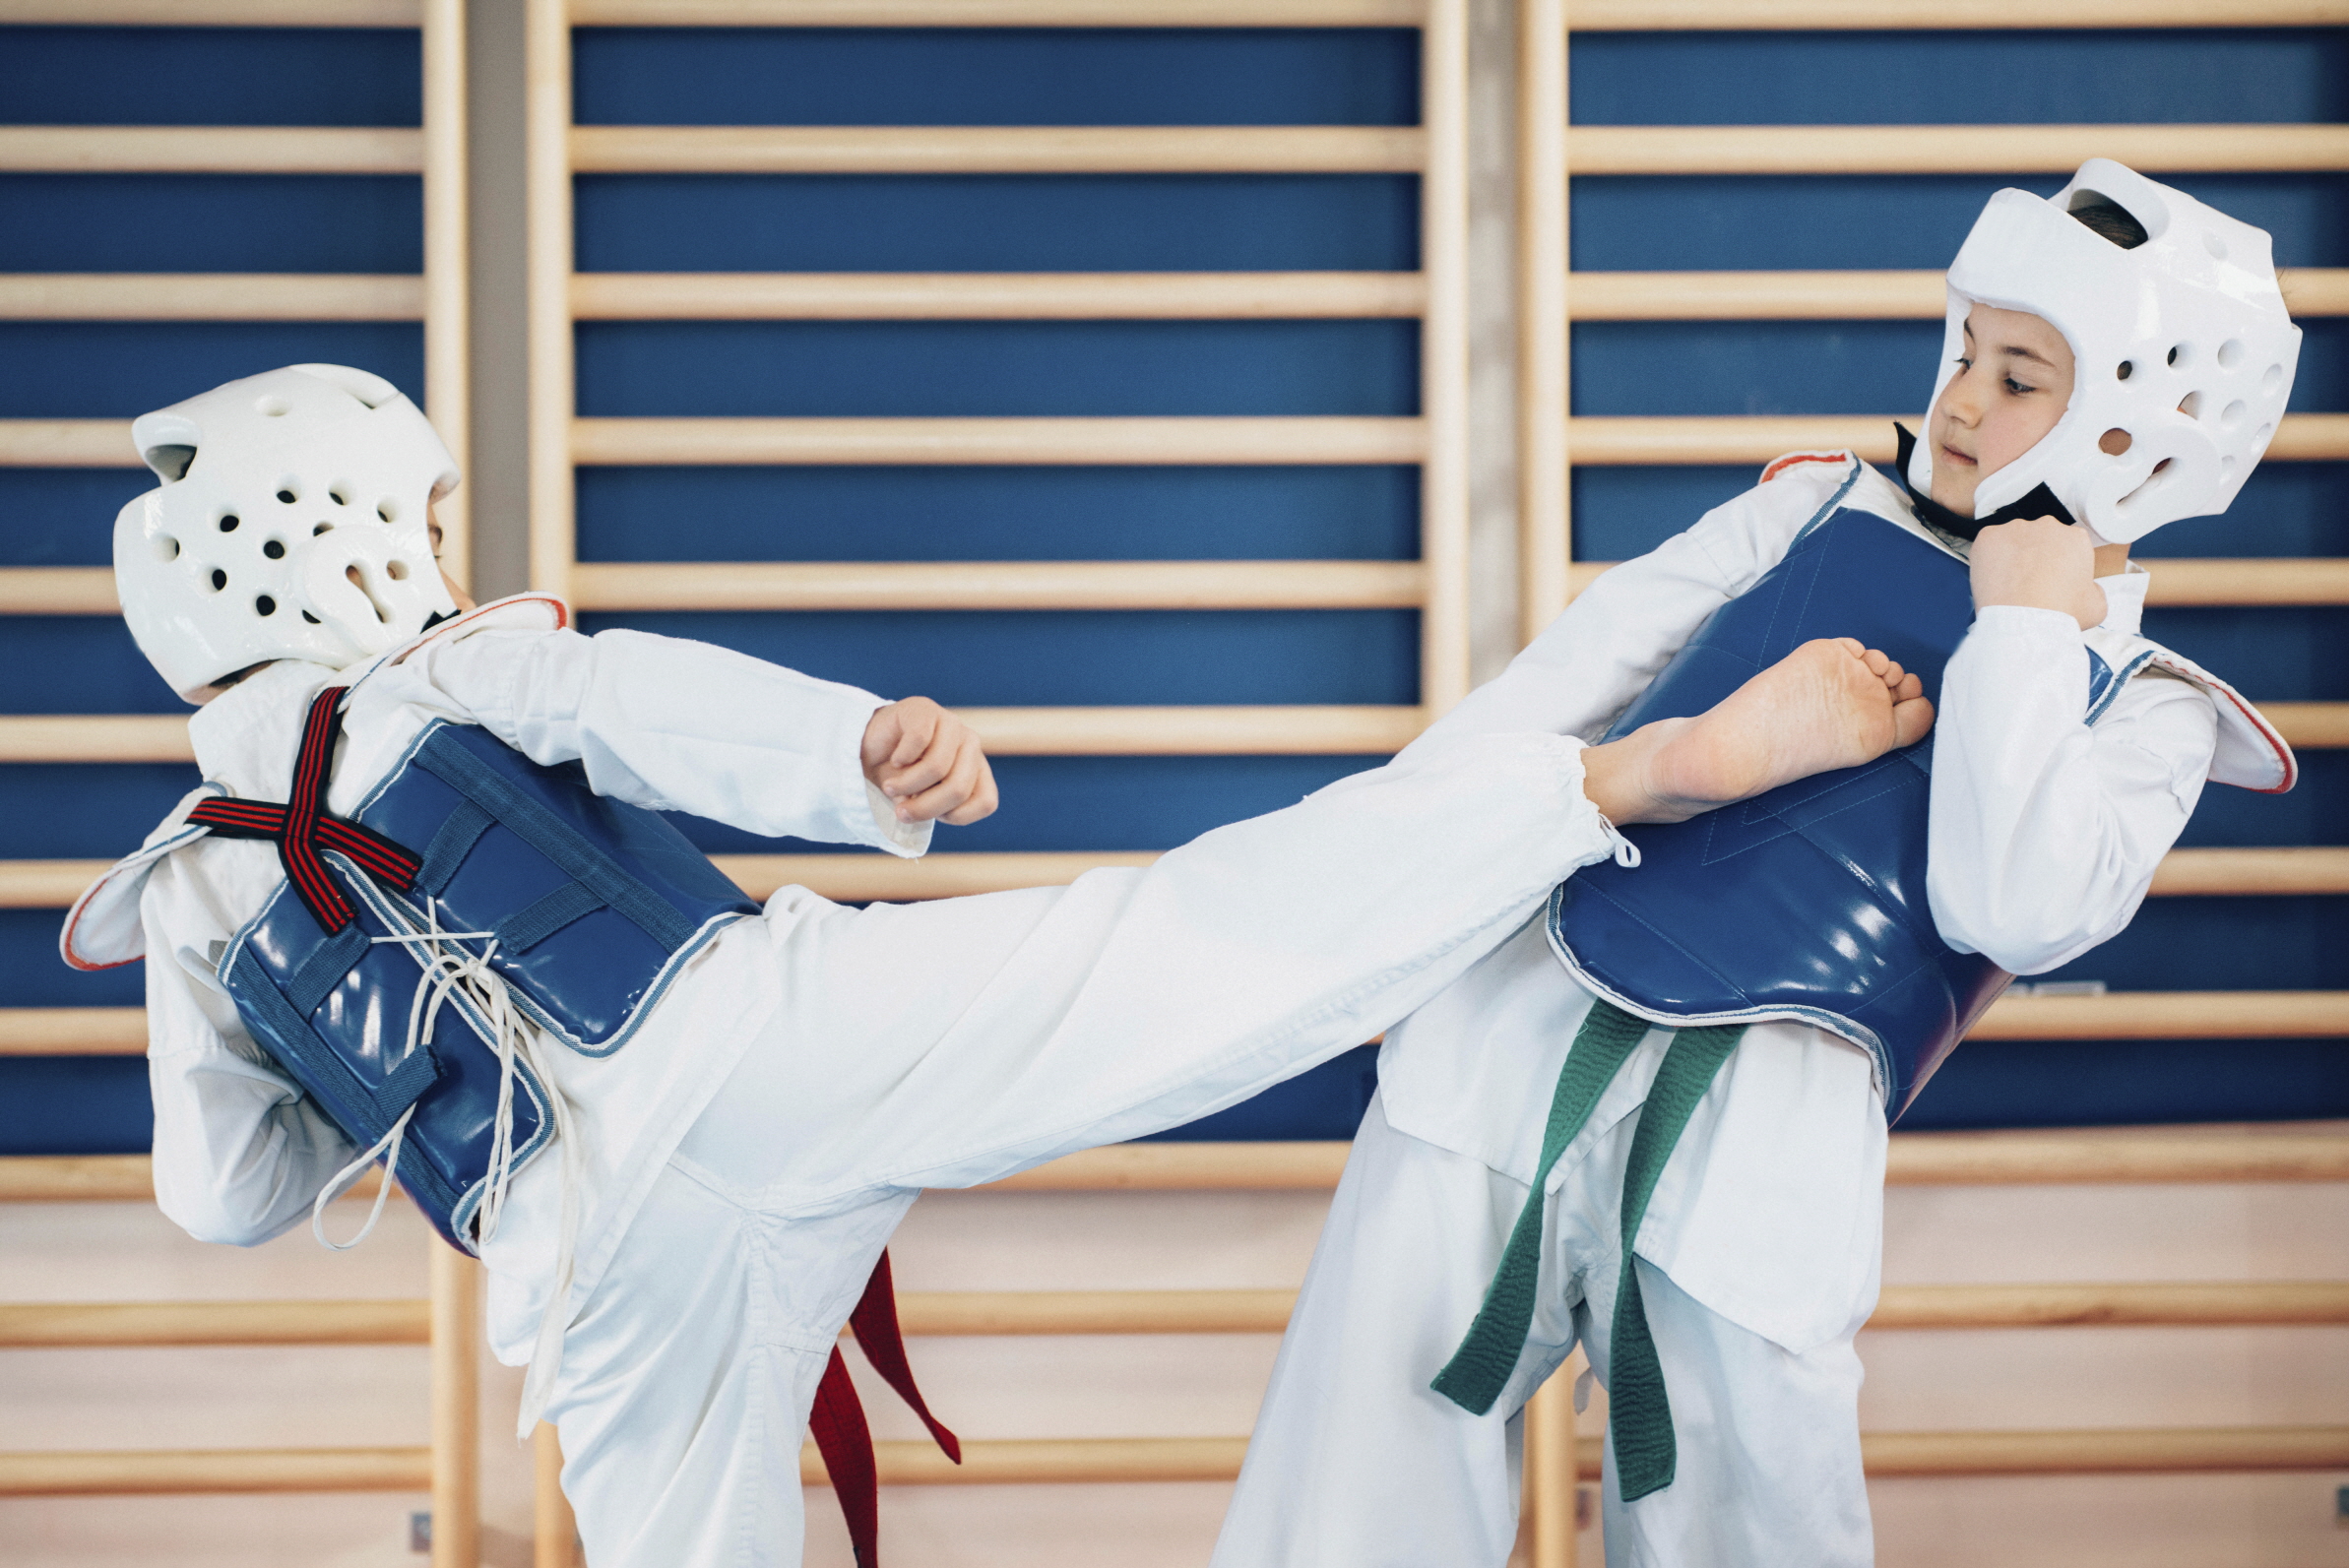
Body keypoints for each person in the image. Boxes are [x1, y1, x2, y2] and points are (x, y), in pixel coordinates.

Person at [63, 362, 1939, 1568]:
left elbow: (225, 1196)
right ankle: (1616, 778)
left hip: (588, 1279)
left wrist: (357, 1075)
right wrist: (860, 751)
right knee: (1185, 949)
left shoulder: (186, 889)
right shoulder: (449, 670)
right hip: (759, 1045)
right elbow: (635, 701)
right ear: (338, 536)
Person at [1212, 157, 2301, 1567]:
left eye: (2021, 374)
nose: (1963, 399)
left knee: (1752, 1537)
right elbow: (1516, 723)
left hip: (1760, 1166)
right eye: (1965, 348)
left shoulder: (2146, 705)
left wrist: (2026, 626)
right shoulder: (1798, 513)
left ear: (2139, 429)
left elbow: (2012, 908)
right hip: (1506, 1050)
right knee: (1344, 1509)